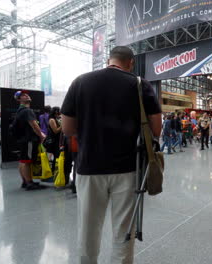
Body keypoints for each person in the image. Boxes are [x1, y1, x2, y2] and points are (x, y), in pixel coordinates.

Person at [61, 46, 162, 264]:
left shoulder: (80, 82)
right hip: (127, 168)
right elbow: (156, 129)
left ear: (108, 60)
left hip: (89, 167)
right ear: (131, 63)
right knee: (124, 229)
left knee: (88, 226)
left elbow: (67, 129)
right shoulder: (139, 84)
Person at [13, 91, 46, 190]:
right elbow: (33, 124)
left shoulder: (20, 111)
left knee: (22, 160)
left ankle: (25, 181)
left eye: (26, 94)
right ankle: (29, 183)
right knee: (26, 161)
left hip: (23, 139)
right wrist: (41, 135)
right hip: (29, 139)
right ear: (18, 99)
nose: (26, 95)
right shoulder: (27, 111)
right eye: (22, 95)